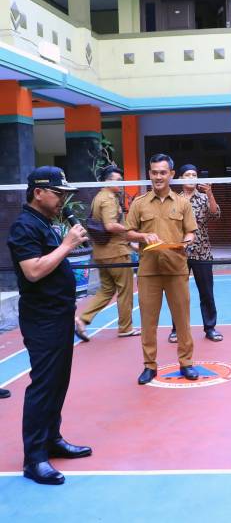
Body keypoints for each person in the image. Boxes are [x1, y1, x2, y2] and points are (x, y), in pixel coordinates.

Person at [7, 166, 92, 485]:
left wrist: (69, 311)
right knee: (43, 385)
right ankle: (34, 458)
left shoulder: (44, 223)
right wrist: (67, 244)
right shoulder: (24, 227)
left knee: (58, 382)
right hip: (41, 319)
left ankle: (52, 439)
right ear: (38, 192)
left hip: (58, 314)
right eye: (58, 194)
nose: (62, 201)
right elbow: (33, 271)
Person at [126, 154, 198, 385]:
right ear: (149, 174)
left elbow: (190, 231)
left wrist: (186, 242)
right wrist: (143, 236)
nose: (158, 176)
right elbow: (128, 233)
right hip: (149, 271)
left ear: (171, 175)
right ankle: (149, 365)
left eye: (163, 172)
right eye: (154, 172)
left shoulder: (182, 203)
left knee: (182, 320)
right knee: (148, 322)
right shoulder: (139, 203)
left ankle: (186, 363)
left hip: (177, 269)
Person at [75, 165, 139, 341]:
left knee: (107, 289)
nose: (120, 183)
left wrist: (131, 243)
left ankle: (83, 318)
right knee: (125, 290)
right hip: (116, 254)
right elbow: (110, 225)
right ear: (107, 181)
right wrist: (131, 230)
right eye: (117, 180)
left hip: (101, 253)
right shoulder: (109, 199)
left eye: (121, 180)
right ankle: (125, 328)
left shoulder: (98, 197)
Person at [168, 164, 223, 343]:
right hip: (179, 253)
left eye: (194, 174)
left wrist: (210, 194)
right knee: (178, 294)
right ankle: (177, 329)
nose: (191, 177)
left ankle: (210, 328)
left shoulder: (204, 197)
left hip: (202, 252)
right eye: (187, 175)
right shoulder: (174, 199)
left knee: (206, 293)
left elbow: (215, 215)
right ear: (180, 179)